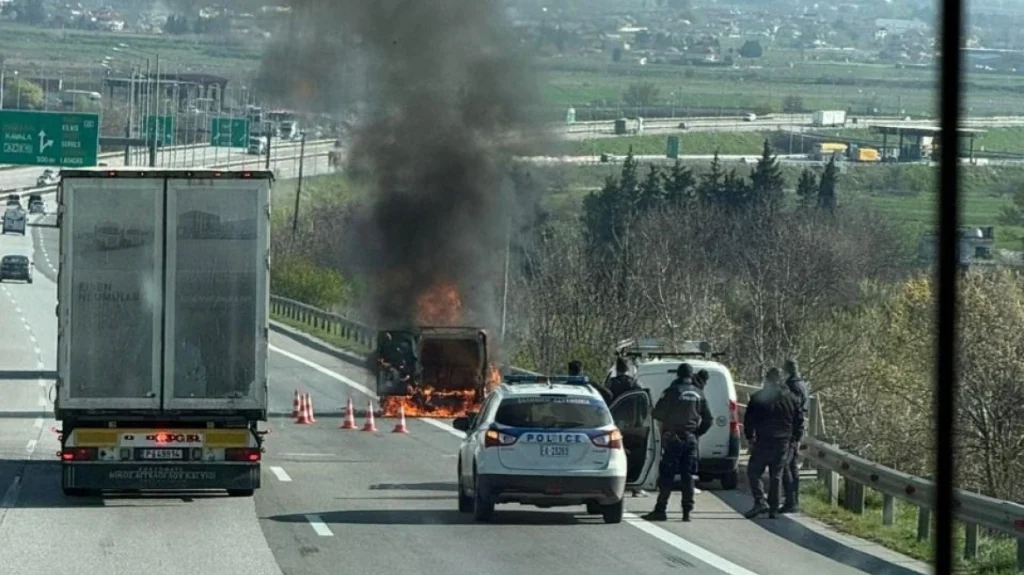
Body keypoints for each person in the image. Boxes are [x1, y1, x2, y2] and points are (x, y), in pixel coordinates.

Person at [641, 363, 713, 523]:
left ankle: (661, 509)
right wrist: (696, 433)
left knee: (667, 475)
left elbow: (657, 413)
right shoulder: (698, 393)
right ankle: (687, 512)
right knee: (688, 476)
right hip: (690, 439)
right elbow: (708, 419)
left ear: (678, 375)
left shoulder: (672, 392)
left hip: (673, 438)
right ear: (691, 375)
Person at [743, 367, 804, 519]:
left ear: (767, 380)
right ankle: (774, 508)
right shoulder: (792, 398)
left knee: (754, 471)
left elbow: (749, 420)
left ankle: (760, 501)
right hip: (783, 441)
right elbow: (799, 421)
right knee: (776, 474)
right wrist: (795, 439)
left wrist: (750, 438)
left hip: (763, 440)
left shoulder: (758, 398)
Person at [781, 359, 810, 513]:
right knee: (792, 465)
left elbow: (794, 409)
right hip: (798, 428)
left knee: (786, 465)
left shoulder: (792, 386)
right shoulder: (803, 384)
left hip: (791, 429)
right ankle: (793, 499)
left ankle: (790, 501)